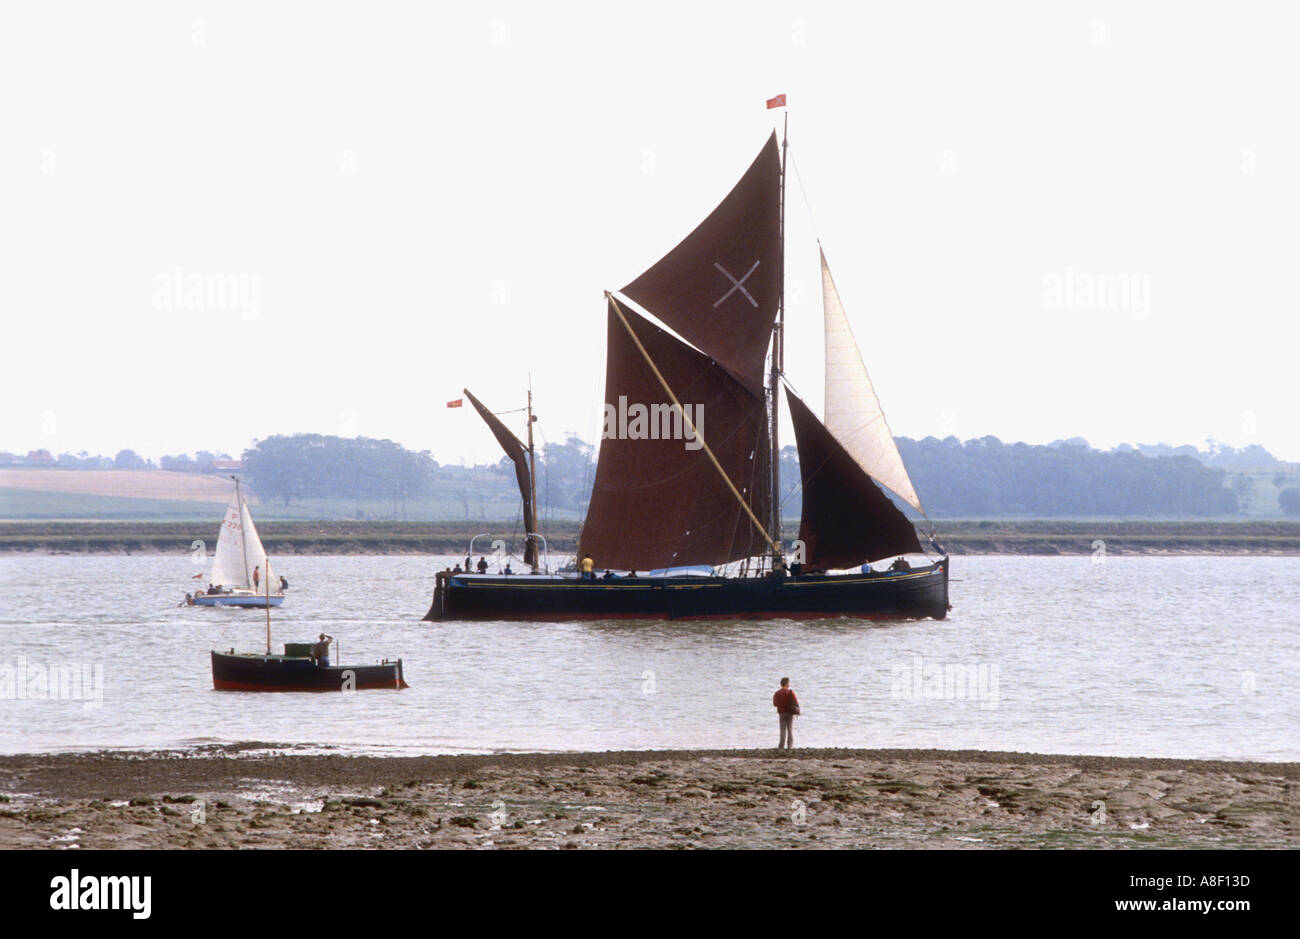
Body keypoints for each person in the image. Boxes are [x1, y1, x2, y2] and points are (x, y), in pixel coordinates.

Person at [773, 677, 800, 750]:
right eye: (788, 682)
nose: (789, 684)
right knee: (790, 729)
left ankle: (781, 746)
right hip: (790, 712)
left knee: (782, 730)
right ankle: (789, 746)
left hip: (781, 713)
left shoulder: (777, 693)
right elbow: (796, 702)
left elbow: (775, 704)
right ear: (786, 683)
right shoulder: (790, 692)